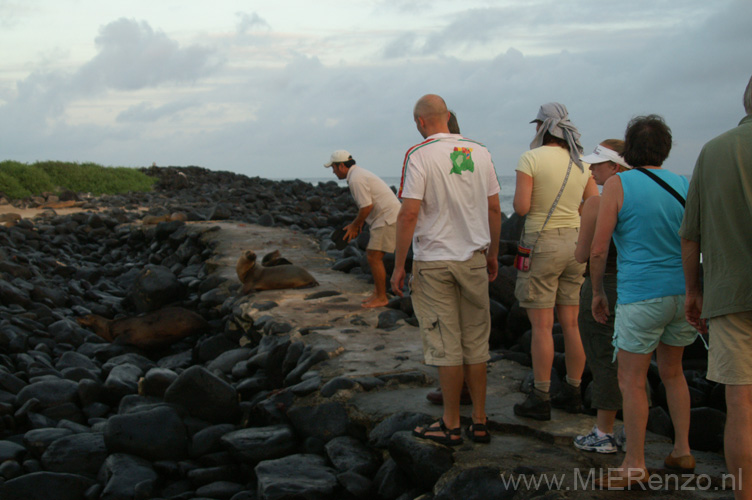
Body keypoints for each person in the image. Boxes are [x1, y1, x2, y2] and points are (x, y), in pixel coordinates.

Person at [590, 115, 696, 489]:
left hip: (640, 295)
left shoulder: (619, 184)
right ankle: (682, 449)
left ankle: (634, 464)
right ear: (665, 149)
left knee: (631, 380)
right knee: (673, 372)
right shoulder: (683, 183)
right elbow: (694, 239)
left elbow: (600, 247)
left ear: (629, 149)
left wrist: (599, 291)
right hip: (681, 292)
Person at [391, 94, 501, 445]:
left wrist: (398, 264)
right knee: (476, 342)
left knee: (446, 344)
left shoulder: (418, 154)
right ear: (448, 116)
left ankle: (451, 423)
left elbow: (409, 213)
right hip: (473, 258)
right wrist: (493, 253)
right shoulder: (480, 151)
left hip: (434, 261)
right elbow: (495, 208)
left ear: (421, 122)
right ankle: (480, 420)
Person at [680, 74, 752, 500]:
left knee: (740, 407)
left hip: (730, 295)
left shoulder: (714, 151)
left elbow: (691, 236)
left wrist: (693, 292)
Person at [512, 102, 598, 421]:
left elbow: (521, 207)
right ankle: (574, 392)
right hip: (576, 244)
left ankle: (541, 396)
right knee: (572, 323)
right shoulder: (581, 162)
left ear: (543, 127)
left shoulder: (531, 158)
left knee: (543, 326)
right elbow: (593, 201)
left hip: (542, 242)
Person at [572, 140, 631, 453]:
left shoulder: (597, 203)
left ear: (616, 167)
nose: (591, 169)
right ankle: (633, 432)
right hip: (640, 285)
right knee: (635, 361)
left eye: (598, 164)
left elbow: (584, 254)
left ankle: (604, 431)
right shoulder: (644, 196)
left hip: (605, 284)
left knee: (603, 357)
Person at [325, 150, 401, 308]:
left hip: (388, 218)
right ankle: (378, 292)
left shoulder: (356, 179)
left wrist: (355, 224)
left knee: (373, 256)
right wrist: (358, 224)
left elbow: (366, 207)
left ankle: (382, 297)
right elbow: (368, 206)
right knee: (373, 255)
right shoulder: (357, 174)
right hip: (386, 217)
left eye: (333, 167)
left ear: (341, 166)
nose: (333, 171)